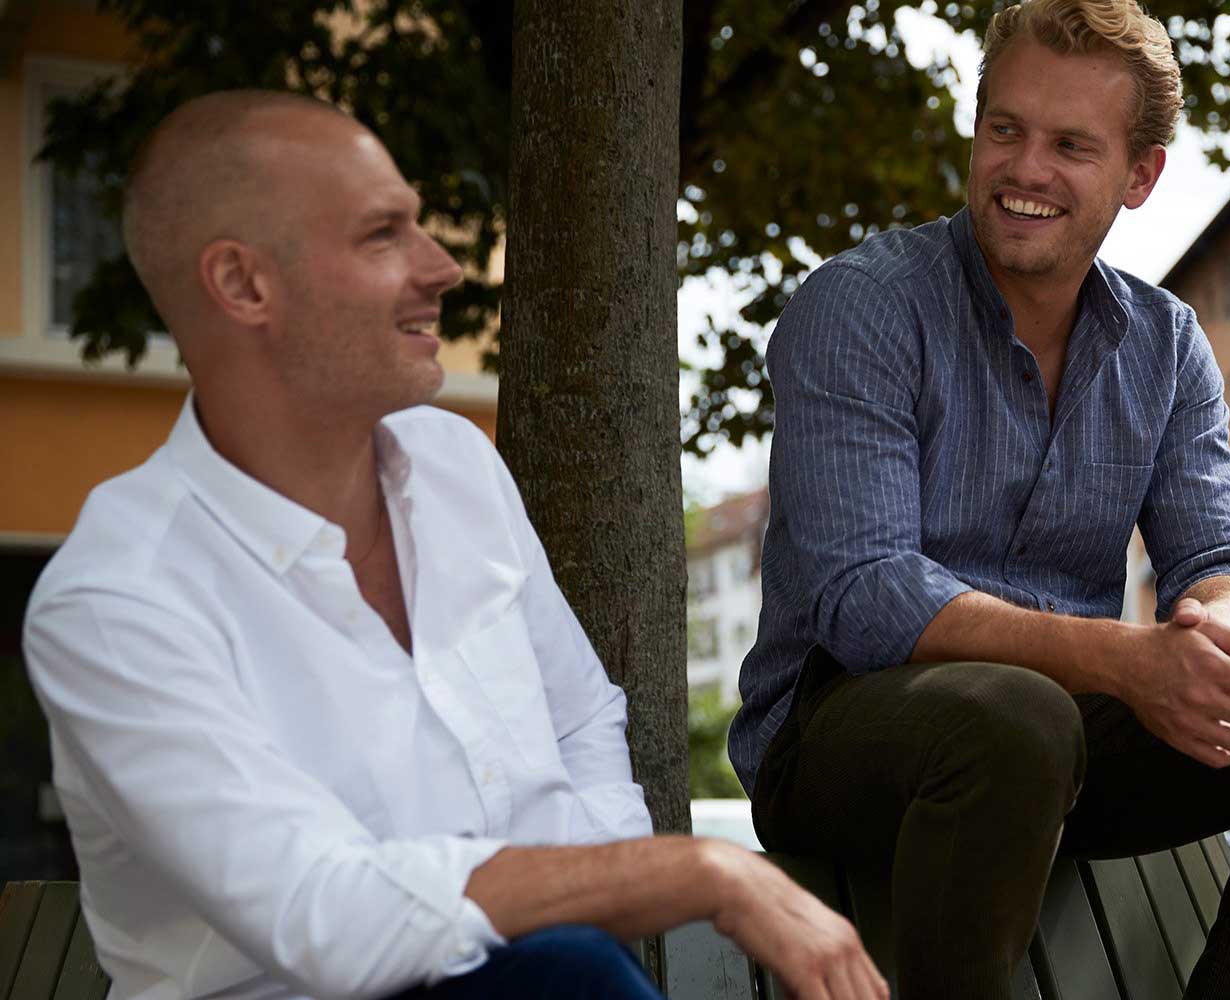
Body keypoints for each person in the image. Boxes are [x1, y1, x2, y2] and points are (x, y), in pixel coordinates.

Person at [22, 91, 884, 1000]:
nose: (442, 266)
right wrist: (695, 873)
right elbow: (328, 917)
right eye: (381, 234)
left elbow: (581, 719)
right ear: (243, 285)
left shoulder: (453, 467)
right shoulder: (117, 598)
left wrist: (590, 920)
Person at [728, 2, 1230, 997]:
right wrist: (1127, 660)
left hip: (1063, 735)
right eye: (1004, 130)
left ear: (1139, 175)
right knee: (1017, 718)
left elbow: (1224, 558)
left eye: (1069, 144)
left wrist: (1205, 632)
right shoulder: (863, 305)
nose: (1024, 170)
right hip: (841, 730)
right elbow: (864, 594)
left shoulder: (1165, 344)